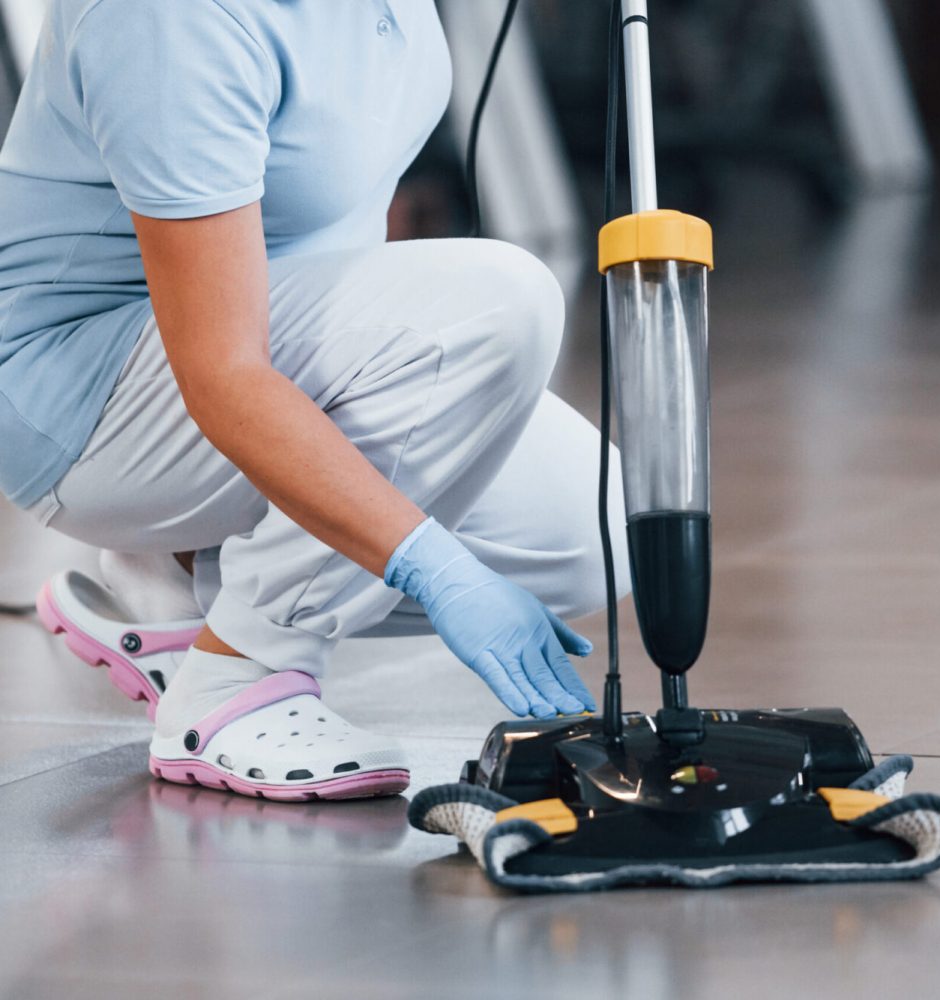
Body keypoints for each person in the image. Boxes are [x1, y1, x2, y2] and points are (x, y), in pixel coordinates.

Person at [0, 0, 628, 801]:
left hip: (242, 350)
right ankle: (237, 678)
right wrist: (433, 565)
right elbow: (222, 372)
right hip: (86, 405)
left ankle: (178, 575)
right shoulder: (170, 21)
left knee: (593, 530)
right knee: (499, 303)